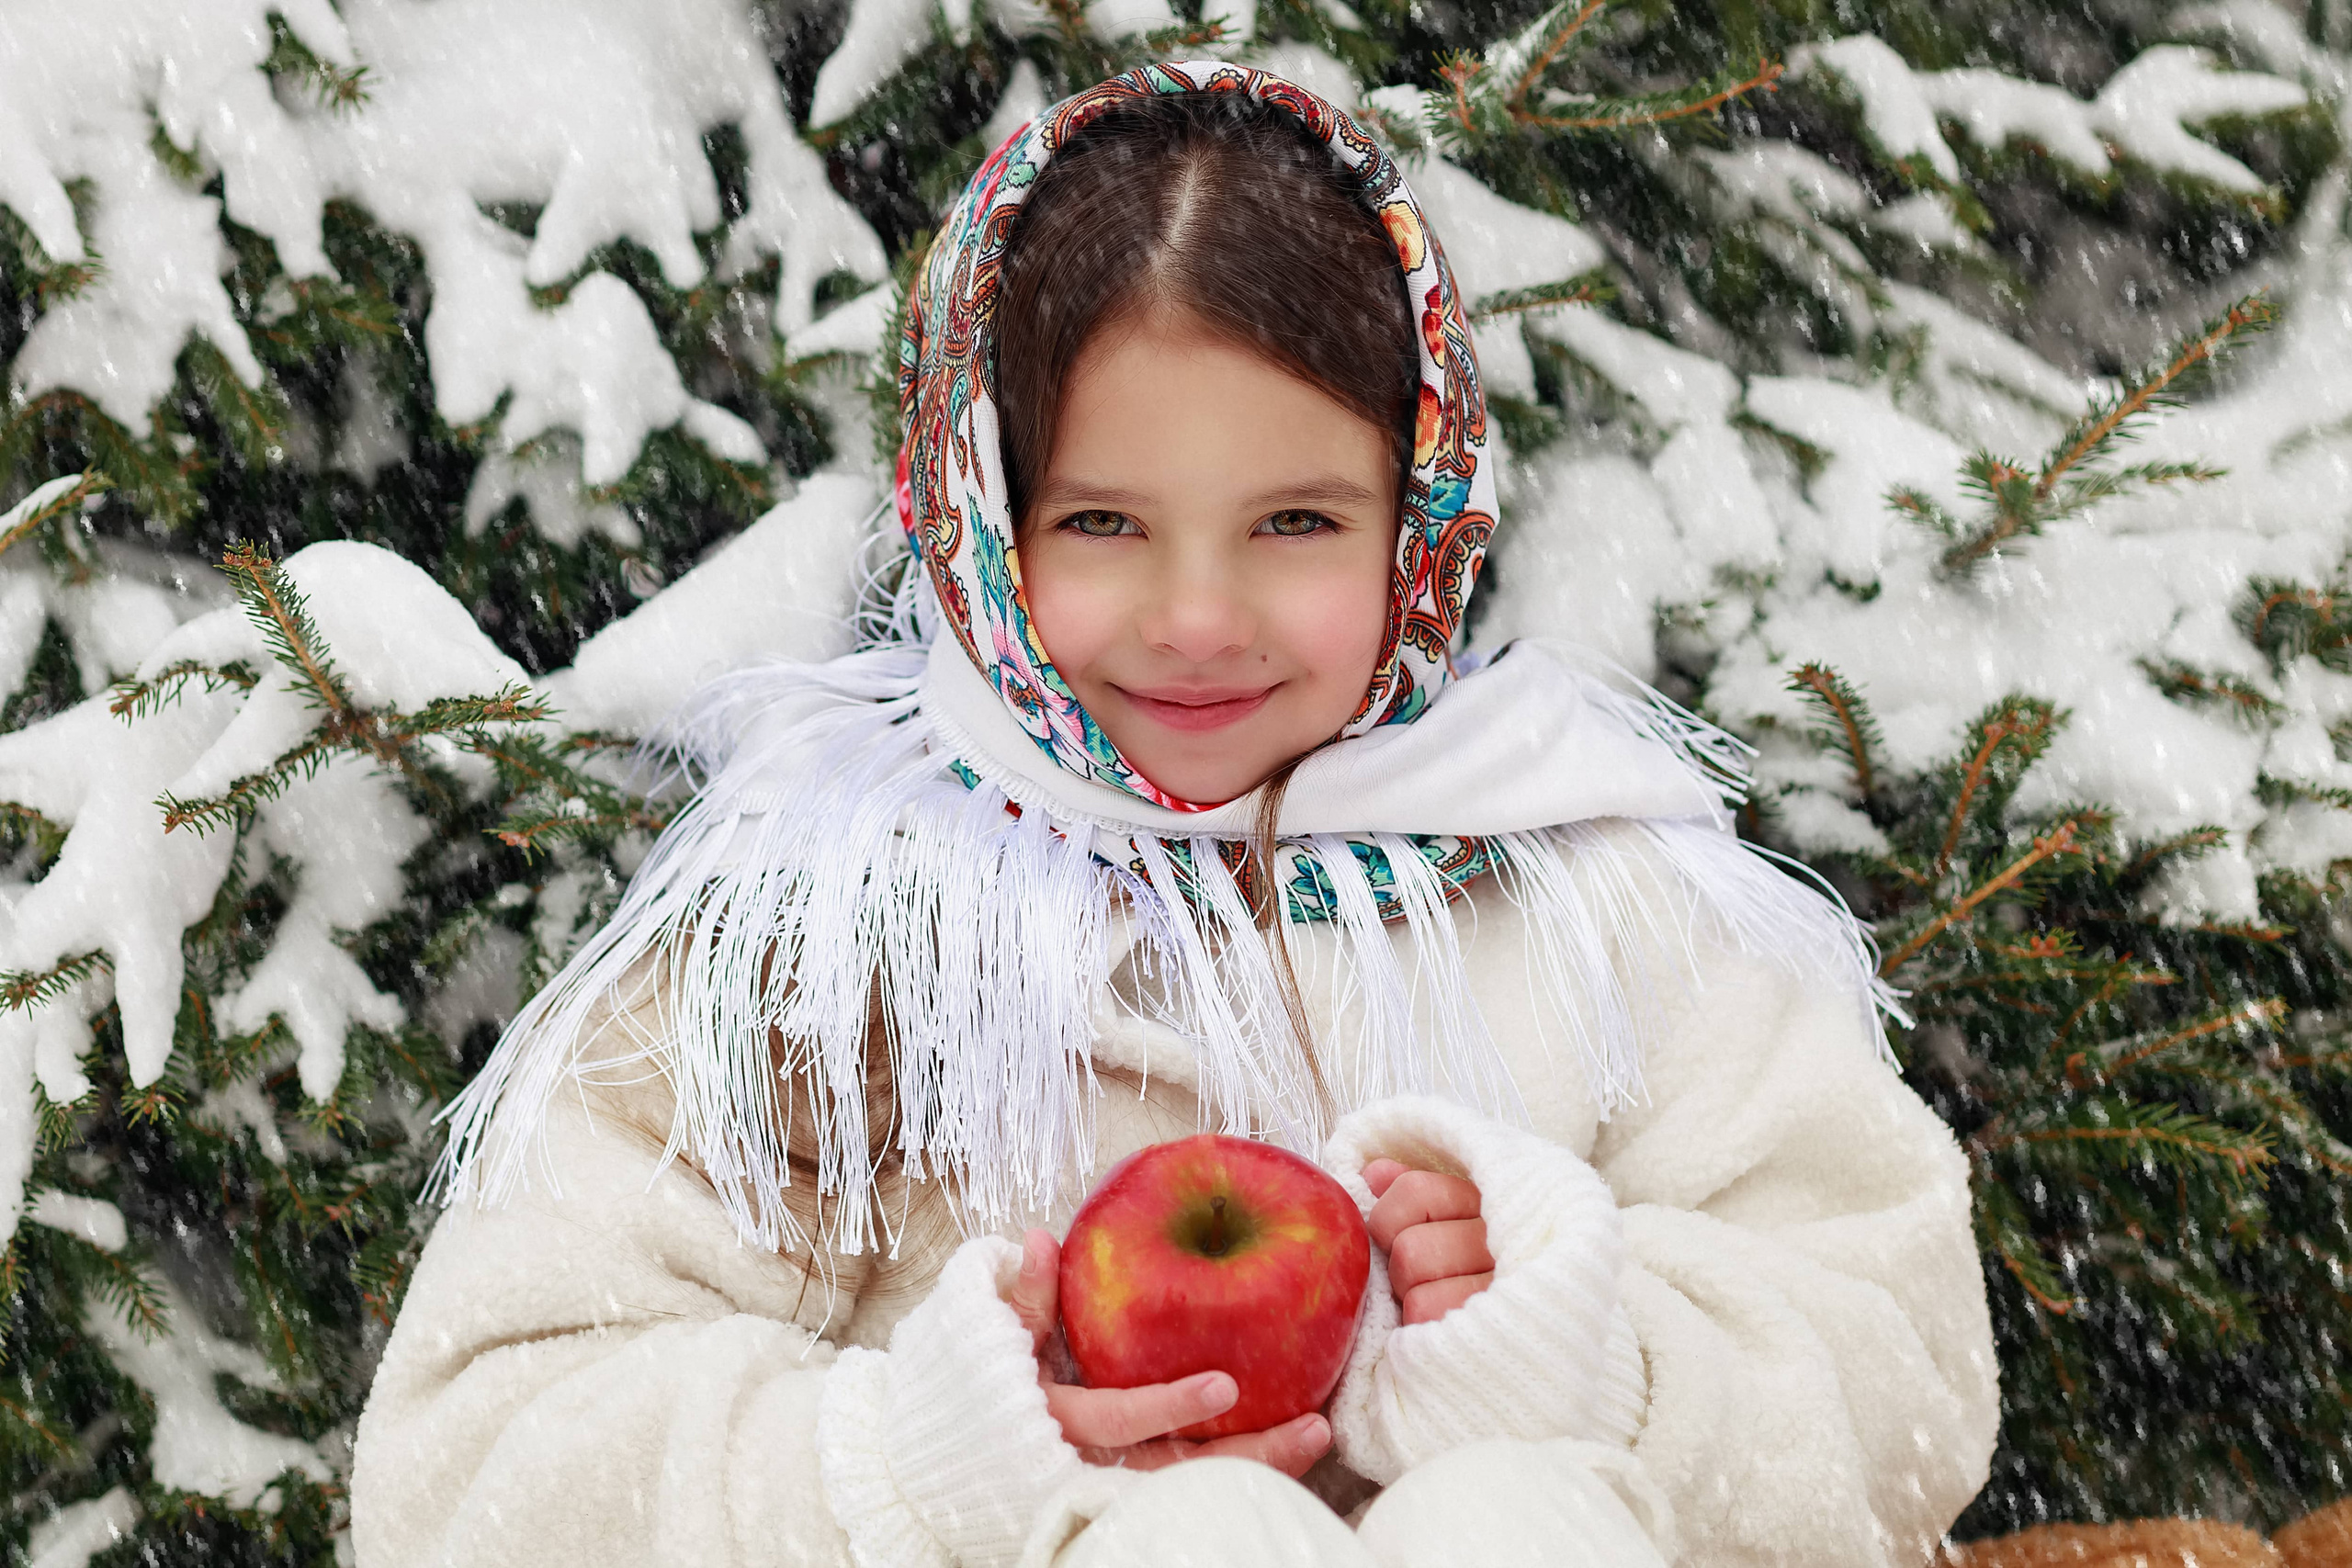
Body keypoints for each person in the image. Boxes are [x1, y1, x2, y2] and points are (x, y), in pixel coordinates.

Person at [350, 63, 1997, 1568]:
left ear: (1422, 516)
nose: (1198, 618)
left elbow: (1899, 1367)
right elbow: (470, 1474)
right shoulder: (831, 938)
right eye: (1104, 521)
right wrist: (914, 1467)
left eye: (1293, 519)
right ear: (980, 519)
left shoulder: (1595, 905)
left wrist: (1602, 1359)